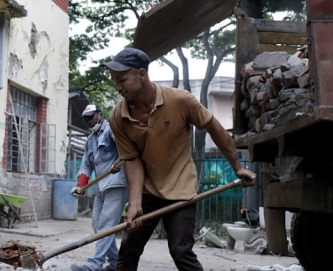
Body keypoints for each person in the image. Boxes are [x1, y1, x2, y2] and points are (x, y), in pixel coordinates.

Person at [104, 48, 257, 271]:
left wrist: (237, 167)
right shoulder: (118, 117)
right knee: (128, 250)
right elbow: (132, 160)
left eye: (122, 80)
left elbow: (215, 129)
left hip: (181, 190)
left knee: (180, 250)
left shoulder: (180, 100)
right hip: (147, 190)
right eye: (115, 82)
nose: (117, 88)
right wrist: (135, 204)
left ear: (141, 75)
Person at [70, 105, 128, 271]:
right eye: (86, 119)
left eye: (91, 117)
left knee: (106, 226)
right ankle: (116, 262)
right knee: (98, 226)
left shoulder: (111, 130)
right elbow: (86, 166)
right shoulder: (90, 140)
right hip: (101, 187)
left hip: (116, 183)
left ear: (100, 115)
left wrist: (120, 160)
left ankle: (93, 265)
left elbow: (127, 149)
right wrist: (80, 186)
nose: (89, 121)